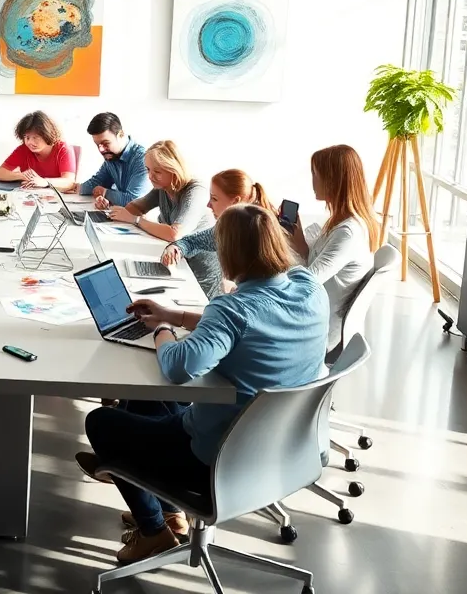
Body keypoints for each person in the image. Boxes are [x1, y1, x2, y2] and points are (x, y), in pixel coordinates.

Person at [78, 204, 328, 564]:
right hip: (283, 450)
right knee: (142, 403)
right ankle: (169, 513)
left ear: (229, 253)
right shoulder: (309, 287)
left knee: (100, 422)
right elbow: (247, 326)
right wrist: (174, 315)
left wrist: (161, 330)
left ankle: (153, 531)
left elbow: (179, 367)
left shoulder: (232, 308)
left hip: (216, 459)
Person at [98, 140, 221, 296]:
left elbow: (175, 234)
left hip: (200, 276)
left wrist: (136, 220)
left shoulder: (195, 190)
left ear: (173, 170)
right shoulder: (163, 187)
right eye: (148, 170)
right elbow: (135, 208)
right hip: (175, 264)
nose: (150, 176)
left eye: (157, 171)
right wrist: (110, 208)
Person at [288, 145, 377, 357]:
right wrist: (299, 239)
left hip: (317, 330)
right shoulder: (339, 222)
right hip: (313, 314)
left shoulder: (348, 232)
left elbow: (308, 281)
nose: (312, 181)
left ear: (333, 180)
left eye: (315, 174)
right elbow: (314, 265)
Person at [160, 169, 274, 298]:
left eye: (214, 198)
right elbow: (192, 241)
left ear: (235, 201)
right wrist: (175, 248)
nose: (208, 205)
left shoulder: (263, 234)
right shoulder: (227, 229)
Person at [68, 112, 150, 203]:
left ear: (121, 135)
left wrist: (105, 192)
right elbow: (97, 182)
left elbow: (134, 201)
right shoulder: (112, 157)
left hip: (143, 216)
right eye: (97, 145)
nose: (101, 150)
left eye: (105, 143)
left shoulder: (143, 159)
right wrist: (76, 187)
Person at [0, 111, 77, 190]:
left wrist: (44, 181)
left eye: (35, 137)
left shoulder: (63, 149)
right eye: (27, 137)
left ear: (47, 134)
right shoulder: (23, 149)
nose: (30, 142)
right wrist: (22, 176)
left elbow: (69, 182)